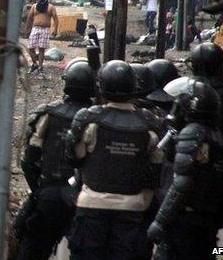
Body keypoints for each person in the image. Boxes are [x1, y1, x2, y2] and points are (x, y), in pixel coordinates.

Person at [65, 60, 163, 260]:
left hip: (91, 206)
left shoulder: (88, 120)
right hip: (133, 209)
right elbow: (156, 168)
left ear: (101, 86)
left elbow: (74, 158)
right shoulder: (150, 123)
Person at [15, 61, 96, 260]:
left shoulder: (48, 114)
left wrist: (40, 190)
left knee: (32, 245)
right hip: (86, 198)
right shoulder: (99, 119)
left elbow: (28, 160)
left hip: (50, 193)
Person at [147, 80, 223, 260]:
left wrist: (160, 222)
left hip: (185, 219)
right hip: (207, 219)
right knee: (213, 251)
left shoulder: (192, 134)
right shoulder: (218, 139)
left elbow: (181, 183)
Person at [23, 0, 58, 74]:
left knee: (41, 49)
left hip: (45, 29)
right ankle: (35, 64)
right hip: (35, 28)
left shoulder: (51, 7)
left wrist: (55, 29)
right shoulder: (34, 6)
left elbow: (55, 19)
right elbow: (29, 18)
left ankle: (40, 66)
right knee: (31, 47)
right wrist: (26, 28)